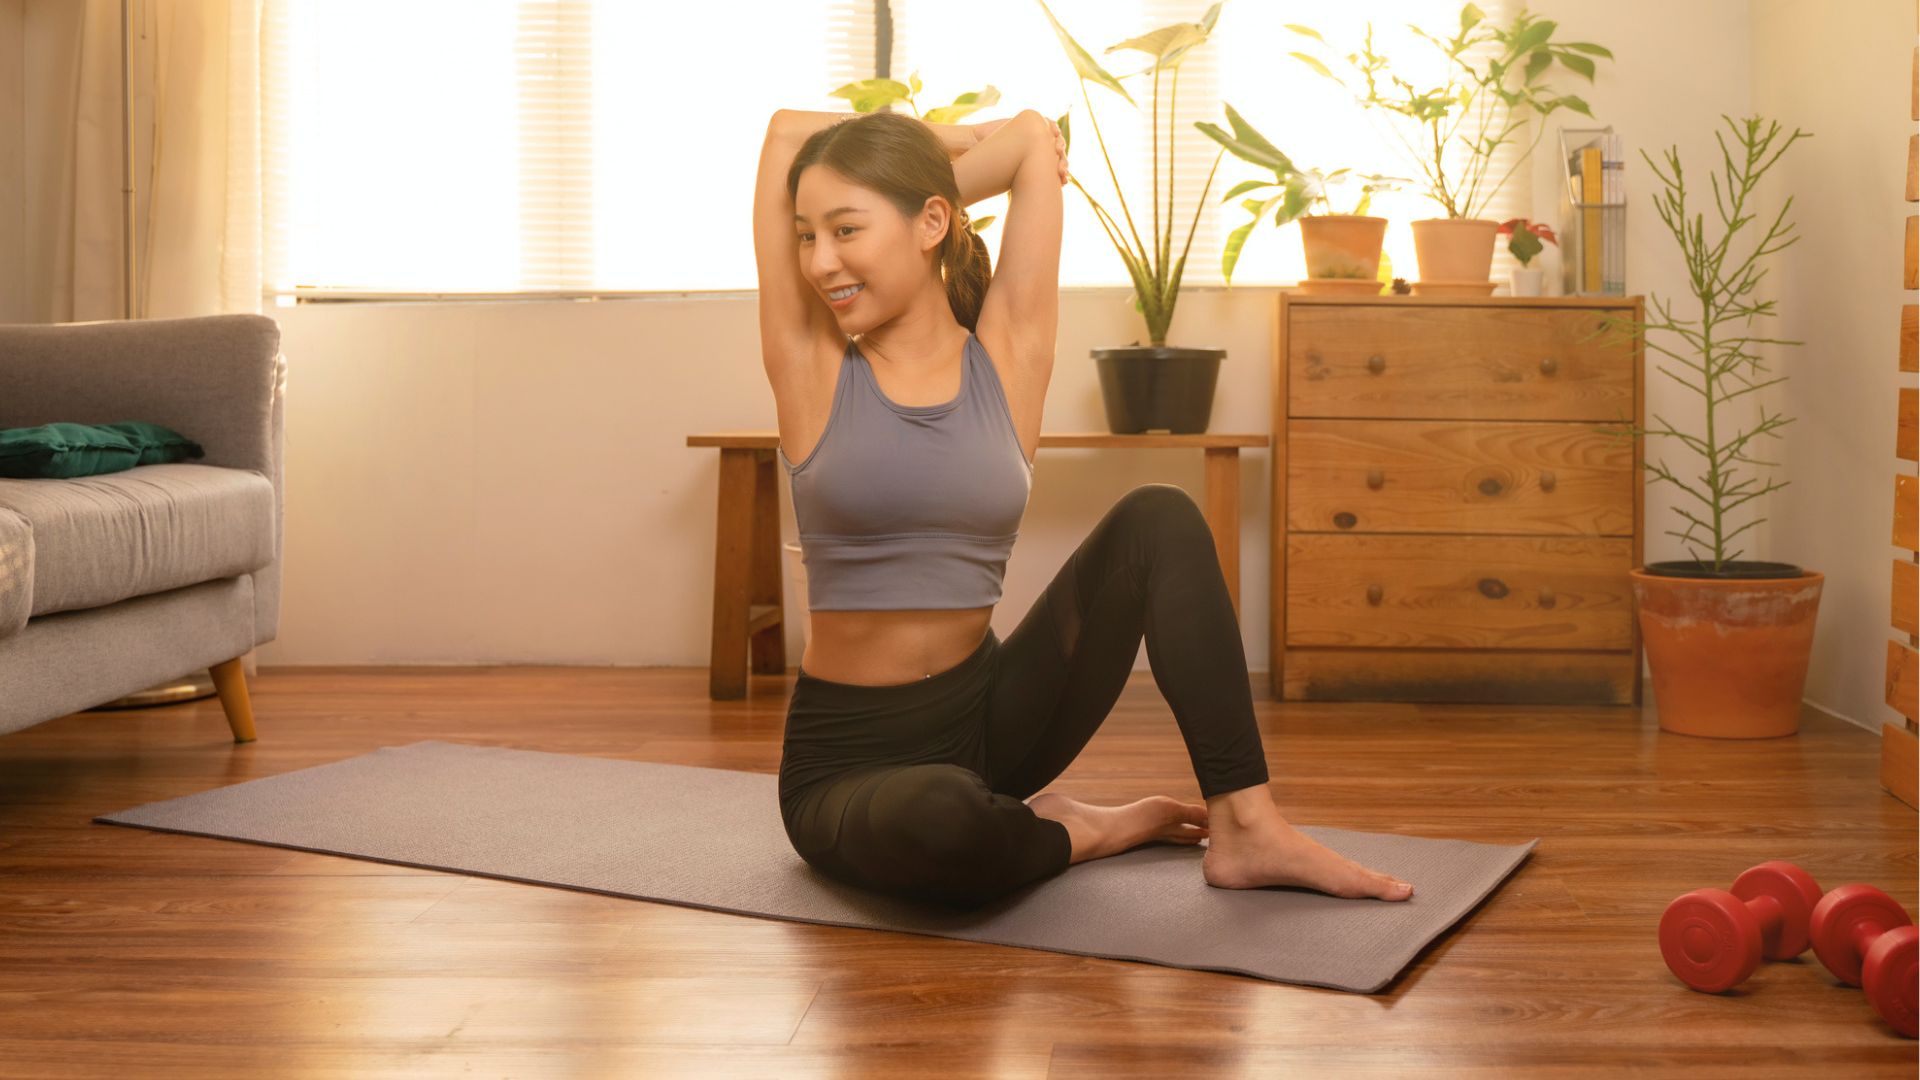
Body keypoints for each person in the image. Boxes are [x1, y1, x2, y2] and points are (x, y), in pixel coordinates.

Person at [753, 105, 1414, 910]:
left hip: (990, 721)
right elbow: (787, 131)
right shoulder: (814, 367)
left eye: (847, 229)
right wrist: (931, 156)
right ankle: (1087, 829)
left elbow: (1033, 140)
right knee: (943, 823)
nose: (821, 262)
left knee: (1160, 516)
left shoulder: (1005, 359)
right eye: (806, 236)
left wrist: (921, 173)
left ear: (932, 222)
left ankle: (1247, 824)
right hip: (849, 766)